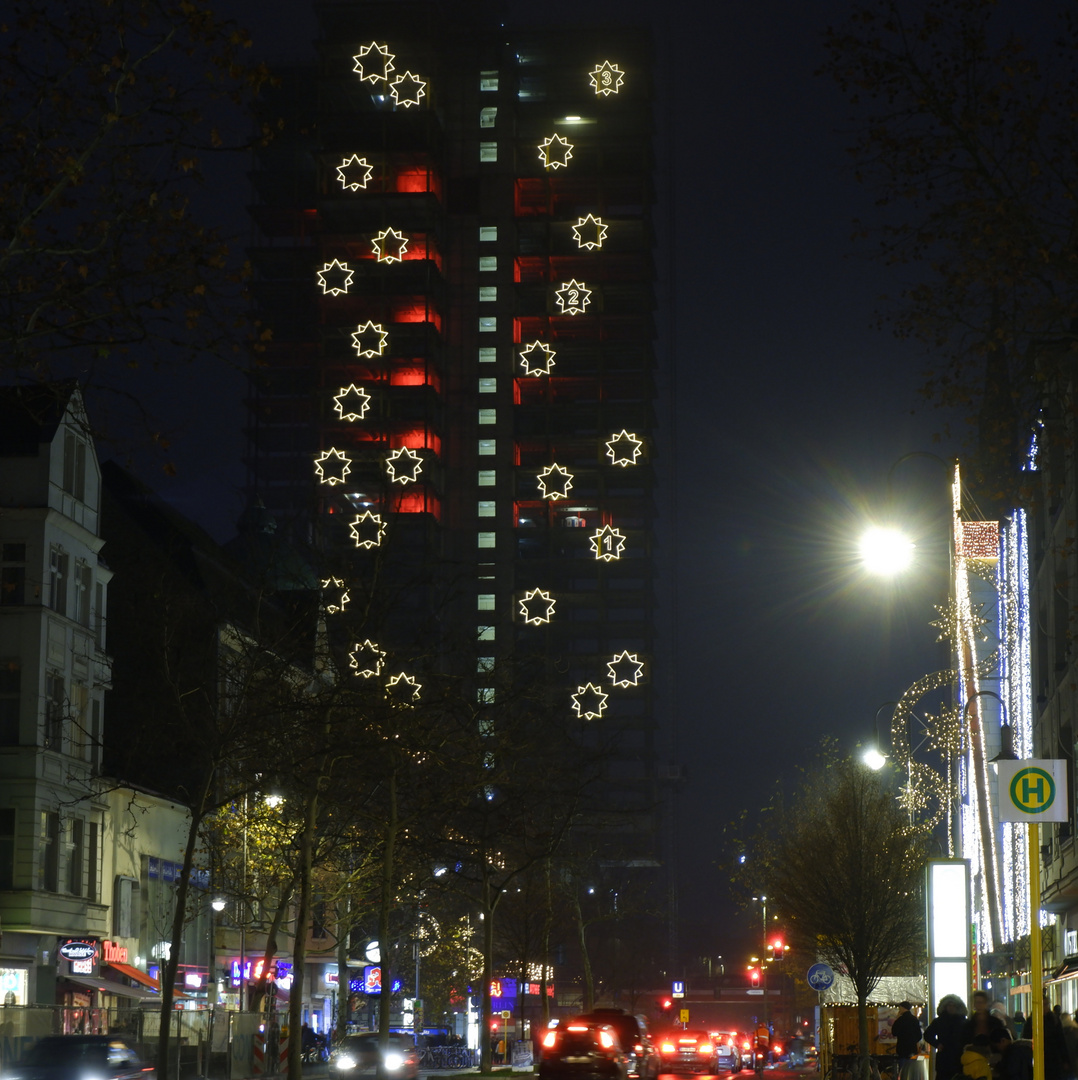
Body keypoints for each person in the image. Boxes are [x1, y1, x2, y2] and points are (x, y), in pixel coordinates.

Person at [923, 994, 967, 1080]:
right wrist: (937, 1044)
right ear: (945, 1006)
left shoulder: (963, 1022)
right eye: (949, 1005)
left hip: (957, 1057)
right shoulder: (940, 1021)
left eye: (953, 1005)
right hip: (946, 1058)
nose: (951, 1007)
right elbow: (927, 1034)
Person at [892, 1002, 924, 1080]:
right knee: (913, 1074)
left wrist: (896, 1019)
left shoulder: (900, 1020)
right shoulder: (914, 1019)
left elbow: (894, 1032)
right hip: (912, 1050)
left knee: (903, 1073)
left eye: (900, 1008)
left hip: (902, 1050)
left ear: (903, 1008)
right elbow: (919, 1036)